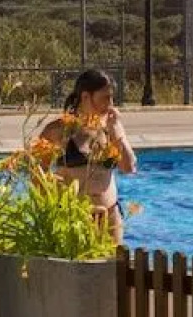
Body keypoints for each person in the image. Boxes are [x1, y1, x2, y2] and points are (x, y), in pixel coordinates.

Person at [36, 68, 138, 243]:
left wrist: (118, 134)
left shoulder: (111, 128)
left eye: (112, 98)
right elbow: (38, 174)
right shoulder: (58, 131)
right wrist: (53, 211)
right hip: (74, 218)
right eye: (105, 98)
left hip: (110, 216)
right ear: (85, 97)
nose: (111, 104)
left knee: (112, 269)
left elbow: (129, 168)